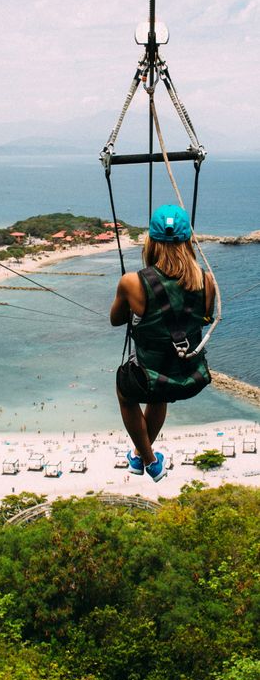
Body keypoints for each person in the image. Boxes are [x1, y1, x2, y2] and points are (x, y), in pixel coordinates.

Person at [110, 204, 214, 482]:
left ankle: (149, 460)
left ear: (151, 242)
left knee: (125, 393)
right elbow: (203, 319)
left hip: (149, 375)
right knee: (159, 394)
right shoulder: (207, 281)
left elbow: (116, 320)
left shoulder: (132, 282)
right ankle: (139, 457)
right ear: (188, 241)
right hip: (188, 376)